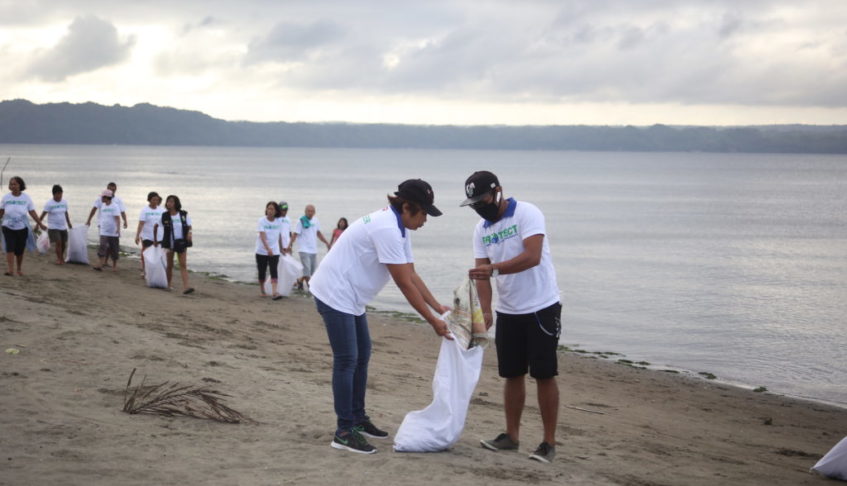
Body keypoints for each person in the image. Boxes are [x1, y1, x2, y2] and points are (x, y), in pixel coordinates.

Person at [310, 179, 452, 455]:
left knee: (363, 354)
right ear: (408, 207)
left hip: (351, 296)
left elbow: (411, 273)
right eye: (424, 213)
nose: (426, 220)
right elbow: (403, 284)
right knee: (347, 359)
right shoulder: (386, 228)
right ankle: (343, 431)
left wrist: (438, 307)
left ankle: (357, 418)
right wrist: (432, 322)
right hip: (334, 292)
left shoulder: (400, 228)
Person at [461, 170, 562, 464]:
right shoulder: (481, 229)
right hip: (508, 311)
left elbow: (533, 256)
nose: (481, 206)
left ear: (498, 191)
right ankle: (511, 436)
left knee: (544, 374)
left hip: (541, 306)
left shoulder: (528, 213)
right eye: (475, 203)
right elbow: (481, 272)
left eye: (484, 199)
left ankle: (548, 442)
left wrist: (494, 270)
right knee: (512, 373)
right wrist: (486, 309)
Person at [0, 176, 47, 276]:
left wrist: (40, 224)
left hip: (22, 227)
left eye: (15, 184)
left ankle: (19, 269)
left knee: (20, 250)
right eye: (11, 184)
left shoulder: (26, 198)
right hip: (8, 226)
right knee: (10, 248)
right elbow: (1, 212)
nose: (13, 186)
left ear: (20, 185)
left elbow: (32, 212)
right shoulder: (6, 198)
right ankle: (10, 270)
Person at [154, 195, 194, 294]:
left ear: (176, 203)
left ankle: (186, 287)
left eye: (172, 201)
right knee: (170, 265)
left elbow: (189, 226)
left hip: (181, 243)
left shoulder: (183, 214)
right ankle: (168, 285)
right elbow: (156, 226)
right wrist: (155, 240)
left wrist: (189, 233)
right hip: (169, 243)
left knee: (183, 265)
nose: (169, 203)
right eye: (168, 202)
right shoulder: (165, 215)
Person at [288, 204, 330, 290]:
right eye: (308, 211)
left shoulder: (316, 220)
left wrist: (326, 242)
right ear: (305, 211)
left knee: (311, 272)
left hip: (313, 250)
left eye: (312, 211)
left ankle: (299, 281)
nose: (310, 213)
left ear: (314, 212)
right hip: (303, 250)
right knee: (307, 272)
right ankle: (311, 289)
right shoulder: (301, 221)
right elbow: (295, 234)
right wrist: (289, 245)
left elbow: (318, 233)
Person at [256, 201, 284, 300]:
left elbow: (279, 236)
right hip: (261, 250)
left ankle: (274, 292)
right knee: (262, 271)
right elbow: (262, 236)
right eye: (269, 208)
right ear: (266, 210)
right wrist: (268, 249)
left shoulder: (279, 221)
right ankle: (262, 290)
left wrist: (281, 248)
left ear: (276, 211)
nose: (270, 211)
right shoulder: (261, 221)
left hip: (275, 251)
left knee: (274, 270)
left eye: (272, 209)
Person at [39, 184, 73, 265]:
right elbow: (43, 214)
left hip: (63, 226)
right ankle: (59, 259)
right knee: (58, 242)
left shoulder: (64, 202)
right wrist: (39, 224)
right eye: (58, 194)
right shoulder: (49, 203)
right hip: (53, 227)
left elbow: (66, 213)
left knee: (64, 243)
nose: (59, 196)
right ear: (53, 194)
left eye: (61, 194)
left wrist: (69, 223)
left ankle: (61, 257)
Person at [134, 191, 165, 278]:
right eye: (153, 200)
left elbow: (165, 223)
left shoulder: (162, 210)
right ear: (149, 200)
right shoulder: (145, 210)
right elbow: (141, 223)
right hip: (147, 236)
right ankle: (145, 270)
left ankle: (157, 271)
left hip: (159, 236)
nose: (155, 201)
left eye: (157, 200)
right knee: (146, 254)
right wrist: (137, 235)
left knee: (159, 254)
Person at [91, 189, 121, 271]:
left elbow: (118, 218)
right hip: (103, 230)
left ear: (107, 197)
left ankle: (114, 265)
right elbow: (102, 217)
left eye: (102, 197)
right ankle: (100, 264)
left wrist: (118, 229)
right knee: (102, 246)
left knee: (114, 248)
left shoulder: (114, 206)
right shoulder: (103, 205)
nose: (101, 199)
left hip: (113, 232)